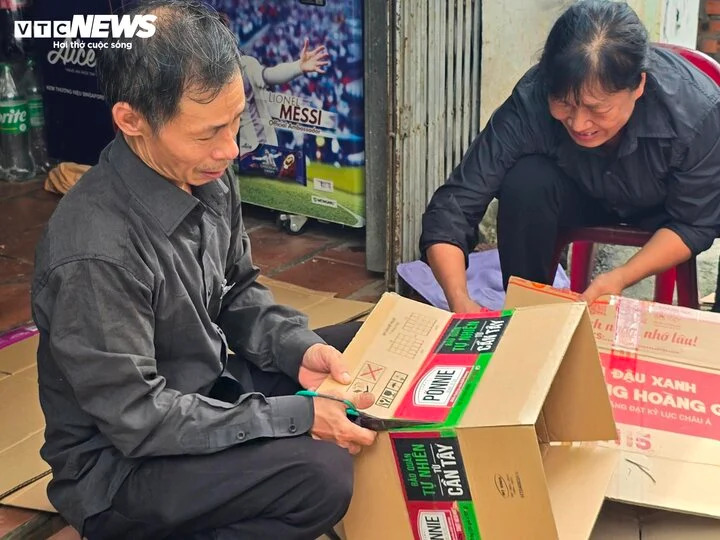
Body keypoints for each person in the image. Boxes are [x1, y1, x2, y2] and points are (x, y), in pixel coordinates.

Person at [31, 1, 376, 538]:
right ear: (131, 120)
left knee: (359, 346)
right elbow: (140, 419)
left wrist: (295, 349)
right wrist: (296, 418)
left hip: (205, 388)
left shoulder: (204, 171)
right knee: (320, 476)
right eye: (208, 132)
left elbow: (236, 290)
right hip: (126, 467)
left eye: (236, 121)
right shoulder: (94, 252)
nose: (230, 149)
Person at [421, 0, 720, 311]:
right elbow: (455, 206)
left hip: (665, 209)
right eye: (563, 103)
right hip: (582, 196)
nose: (579, 124)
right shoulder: (532, 100)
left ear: (639, 85)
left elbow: (693, 223)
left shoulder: (696, 112)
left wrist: (621, 276)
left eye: (597, 109)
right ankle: (526, 313)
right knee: (527, 180)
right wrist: (459, 298)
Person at [238, 37, 330, 157]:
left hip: (258, 150)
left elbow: (270, 74)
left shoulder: (245, 65)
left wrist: (298, 67)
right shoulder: (212, 75)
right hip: (234, 155)